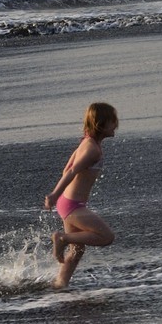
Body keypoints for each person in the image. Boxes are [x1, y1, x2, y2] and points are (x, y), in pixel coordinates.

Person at [44, 101, 118, 289]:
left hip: (68, 203)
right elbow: (72, 172)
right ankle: (62, 238)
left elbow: (66, 170)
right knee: (106, 237)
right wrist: (54, 194)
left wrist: (59, 196)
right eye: (112, 121)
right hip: (72, 206)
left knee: (77, 251)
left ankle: (60, 284)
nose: (116, 125)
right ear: (101, 124)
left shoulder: (86, 142)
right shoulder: (92, 149)